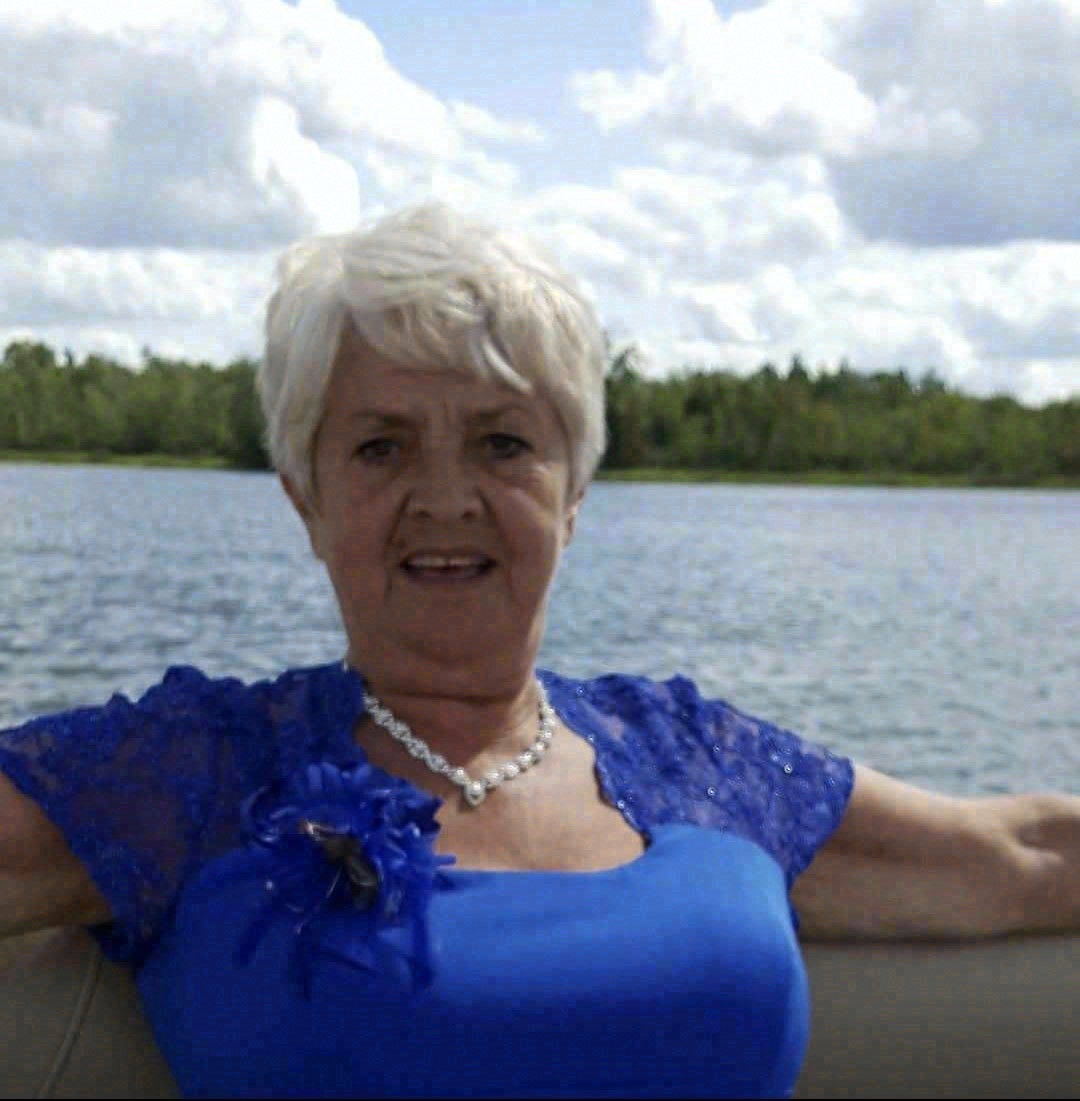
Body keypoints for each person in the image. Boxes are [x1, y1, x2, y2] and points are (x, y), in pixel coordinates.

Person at [0, 201, 1077, 1100]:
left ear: (573, 493)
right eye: (381, 446)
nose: (445, 498)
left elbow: (1022, 856)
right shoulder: (197, 772)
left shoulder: (698, 759)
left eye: (503, 442)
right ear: (306, 499)